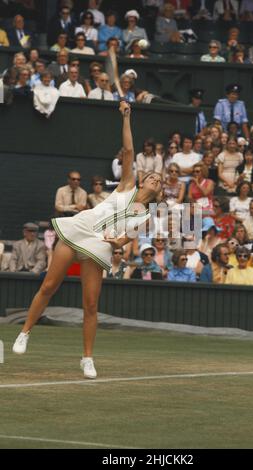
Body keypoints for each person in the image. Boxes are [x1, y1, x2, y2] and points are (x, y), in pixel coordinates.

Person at [12, 101, 163, 379]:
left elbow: (123, 242)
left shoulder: (144, 216)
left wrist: (115, 243)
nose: (153, 178)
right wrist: (126, 117)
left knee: (91, 304)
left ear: (158, 191)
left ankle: (87, 358)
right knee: (48, 285)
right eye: (151, 175)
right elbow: (129, 149)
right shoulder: (127, 183)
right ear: (143, 180)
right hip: (80, 228)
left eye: (158, 179)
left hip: (99, 245)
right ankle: (24, 333)